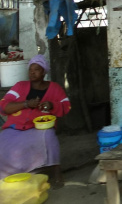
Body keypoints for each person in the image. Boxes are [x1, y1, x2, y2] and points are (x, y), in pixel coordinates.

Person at [0, 54, 71, 188]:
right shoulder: (20, 86)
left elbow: (66, 106)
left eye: (36, 69)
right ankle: (9, 175)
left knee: (49, 137)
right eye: (30, 69)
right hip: (15, 127)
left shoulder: (55, 88)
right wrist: (26, 104)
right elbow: (4, 105)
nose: (32, 72)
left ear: (44, 71)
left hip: (40, 128)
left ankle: (56, 174)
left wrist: (52, 105)